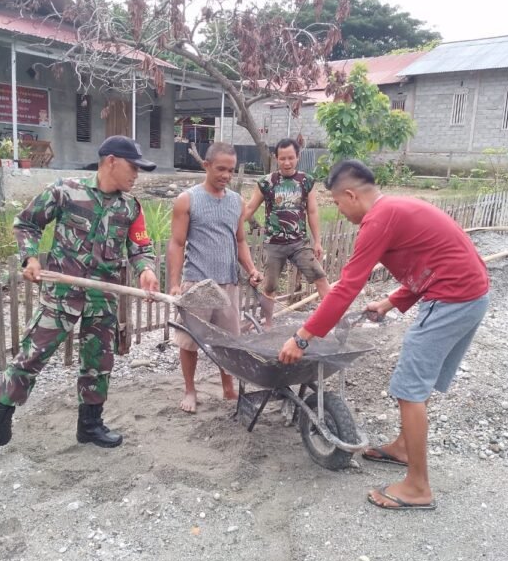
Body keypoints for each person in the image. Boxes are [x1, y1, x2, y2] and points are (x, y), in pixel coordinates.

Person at [278, 159, 490, 511]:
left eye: (337, 203)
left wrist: (302, 337)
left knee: (409, 389)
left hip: (453, 299)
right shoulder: (396, 209)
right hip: (470, 295)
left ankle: (418, 487)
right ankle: (404, 449)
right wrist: (392, 301)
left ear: (350, 194)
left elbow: (345, 289)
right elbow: (436, 260)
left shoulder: (378, 219)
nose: (340, 211)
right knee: (416, 385)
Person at [0, 136, 160, 464]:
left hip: (103, 299)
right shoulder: (66, 191)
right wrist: (29, 259)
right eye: (133, 167)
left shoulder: (131, 207)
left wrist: (146, 270)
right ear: (111, 161)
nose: (137, 175)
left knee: (98, 364)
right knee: (29, 359)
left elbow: (140, 247)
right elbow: (26, 223)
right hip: (61, 296)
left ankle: (90, 425)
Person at [167, 142, 263, 413]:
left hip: (227, 282)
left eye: (231, 171)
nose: (226, 175)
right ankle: (190, 390)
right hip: (197, 282)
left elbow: (240, 240)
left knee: (228, 342)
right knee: (190, 341)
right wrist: (175, 284)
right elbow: (176, 243)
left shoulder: (236, 202)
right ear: (206, 165)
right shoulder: (188, 199)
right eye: (221, 169)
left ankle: (228, 388)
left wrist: (251, 269)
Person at [243, 138, 330, 327]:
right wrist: (233, 227)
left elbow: (313, 212)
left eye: (291, 158)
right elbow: (250, 208)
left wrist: (317, 241)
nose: (287, 162)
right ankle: (268, 324)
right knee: (270, 286)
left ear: (298, 157)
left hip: (299, 242)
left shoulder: (306, 181)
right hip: (274, 243)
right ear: (276, 158)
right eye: (282, 158)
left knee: (320, 276)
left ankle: (332, 319)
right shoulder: (266, 182)